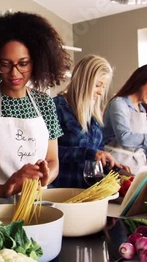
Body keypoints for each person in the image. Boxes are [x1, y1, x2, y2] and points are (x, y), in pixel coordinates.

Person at [0, 12, 71, 228]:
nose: (14, 73)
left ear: (36, 61)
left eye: (23, 63)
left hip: (31, 212)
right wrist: (4, 189)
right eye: (5, 64)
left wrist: (46, 176)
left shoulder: (45, 104)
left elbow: (53, 160)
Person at [52, 55, 130, 188]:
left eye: (103, 87)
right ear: (83, 82)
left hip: (90, 190)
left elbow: (97, 152)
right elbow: (48, 154)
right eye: (98, 85)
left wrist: (110, 164)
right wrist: (88, 153)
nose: (101, 92)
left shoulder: (93, 114)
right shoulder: (55, 107)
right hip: (64, 191)